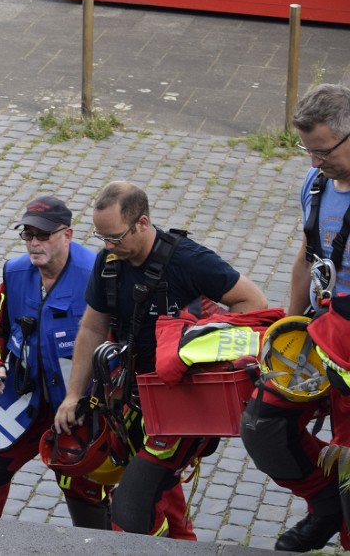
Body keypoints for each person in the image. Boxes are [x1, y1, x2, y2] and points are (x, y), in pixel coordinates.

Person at [53, 181, 268, 538]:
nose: (107, 246)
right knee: (163, 497)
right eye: (101, 236)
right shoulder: (108, 263)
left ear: (142, 223)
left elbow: (252, 301)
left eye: (116, 237)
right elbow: (92, 327)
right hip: (133, 401)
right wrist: (73, 395)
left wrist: (206, 359)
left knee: (133, 502)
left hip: (181, 405)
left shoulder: (189, 260)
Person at [240, 83, 350, 552]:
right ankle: (325, 506)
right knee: (263, 427)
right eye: (307, 150)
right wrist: (283, 329)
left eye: (322, 150)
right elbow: (307, 254)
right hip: (317, 333)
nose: (312, 162)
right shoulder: (317, 183)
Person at [0, 196, 110, 527]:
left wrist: (87, 404)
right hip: (25, 400)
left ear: (67, 235)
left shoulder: (95, 276)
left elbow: (116, 352)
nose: (34, 243)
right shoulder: (15, 273)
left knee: (83, 493)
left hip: (79, 409)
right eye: (28, 235)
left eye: (43, 235)